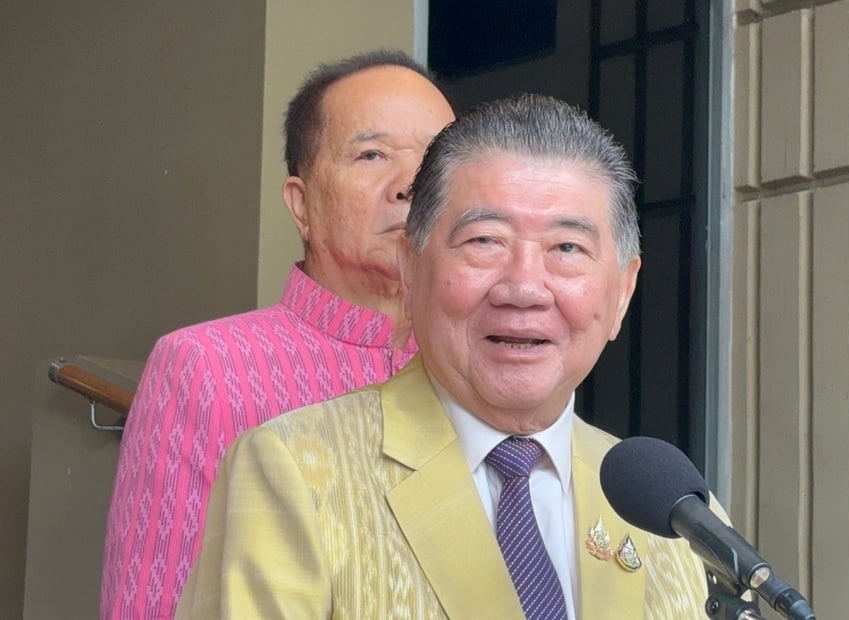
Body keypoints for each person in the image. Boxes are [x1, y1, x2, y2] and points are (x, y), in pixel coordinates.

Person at [176, 94, 718, 619]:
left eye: (567, 248)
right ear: (410, 269)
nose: (524, 288)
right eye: (485, 241)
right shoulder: (295, 469)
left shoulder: (677, 511)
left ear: (622, 292)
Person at [100, 50, 455, 619]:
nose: (411, 184)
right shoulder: (206, 366)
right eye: (372, 154)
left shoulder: (477, 369)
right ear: (302, 204)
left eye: (435, 160)